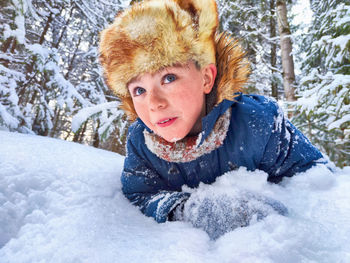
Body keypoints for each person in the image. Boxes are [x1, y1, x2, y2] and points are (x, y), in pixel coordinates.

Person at [99, 0, 325, 239]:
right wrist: (185, 210)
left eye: (168, 78)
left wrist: (281, 212)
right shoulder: (141, 142)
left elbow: (315, 177)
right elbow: (141, 195)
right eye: (139, 91)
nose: (154, 103)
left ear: (206, 78)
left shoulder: (258, 122)